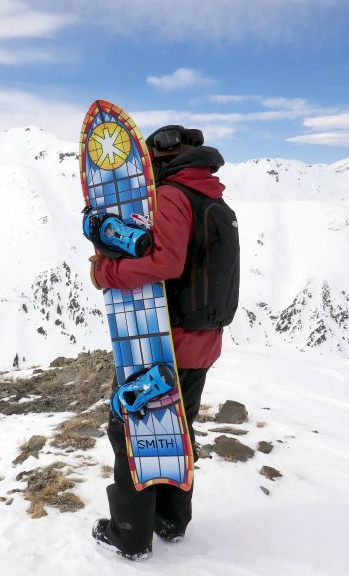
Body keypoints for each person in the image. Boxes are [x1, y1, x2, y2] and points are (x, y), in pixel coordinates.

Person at [87, 125, 236, 561]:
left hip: (163, 344)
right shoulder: (210, 195)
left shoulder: (172, 195)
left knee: (131, 429)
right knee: (178, 431)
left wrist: (106, 275)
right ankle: (172, 520)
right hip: (202, 344)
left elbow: (166, 263)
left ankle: (129, 535)